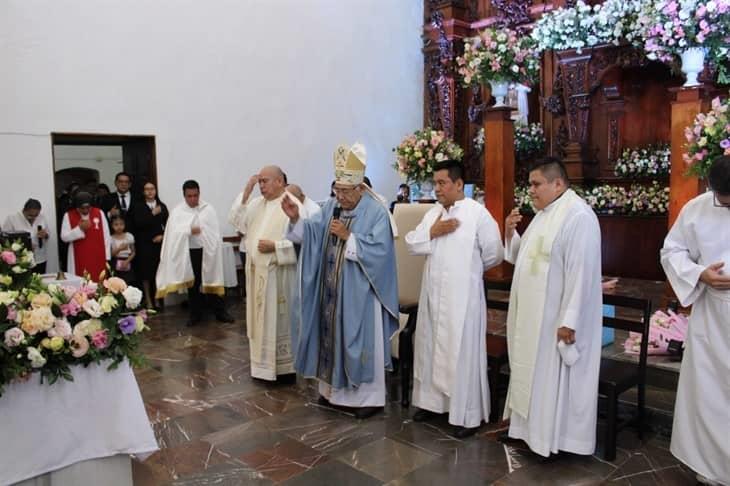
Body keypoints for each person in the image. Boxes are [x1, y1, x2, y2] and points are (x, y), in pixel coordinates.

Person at [282, 143, 399, 419]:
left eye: (345, 192)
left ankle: (366, 400)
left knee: (357, 340)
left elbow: (382, 254)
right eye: (337, 190)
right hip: (333, 291)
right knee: (331, 336)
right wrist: (297, 218)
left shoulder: (376, 211)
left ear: (360, 188)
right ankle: (331, 393)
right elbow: (313, 232)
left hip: (362, 294)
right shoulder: (333, 205)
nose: (339, 197)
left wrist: (350, 237)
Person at [502, 157, 602, 457]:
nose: (530, 191)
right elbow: (526, 259)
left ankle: (553, 440)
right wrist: (510, 234)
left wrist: (569, 320)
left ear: (557, 183)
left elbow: (582, 273)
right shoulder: (545, 214)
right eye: (529, 184)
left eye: (536, 184)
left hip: (556, 319)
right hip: (534, 318)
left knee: (551, 378)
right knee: (531, 373)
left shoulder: (577, 216)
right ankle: (528, 433)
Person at [405, 160, 503, 438]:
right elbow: (412, 242)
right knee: (429, 347)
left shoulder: (477, 214)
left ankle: (465, 415)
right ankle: (431, 404)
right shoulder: (433, 214)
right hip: (433, 294)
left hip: (463, 298)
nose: (437, 189)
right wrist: (432, 232)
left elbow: (494, 253)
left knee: (461, 352)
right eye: (434, 183)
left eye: (442, 183)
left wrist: (468, 272)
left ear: (459, 184)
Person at [660, 156, 730, 485]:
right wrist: (700, 274)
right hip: (712, 317)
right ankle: (711, 467)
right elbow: (671, 251)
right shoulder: (698, 207)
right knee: (709, 393)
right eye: (721, 199)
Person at [228, 166, 298, 382]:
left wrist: (276, 247)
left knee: (278, 322)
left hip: (279, 277)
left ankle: (284, 370)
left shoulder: (291, 204)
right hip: (257, 275)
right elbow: (236, 221)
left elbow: (303, 241)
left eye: (265, 181)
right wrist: (246, 193)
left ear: (279, 181)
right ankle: (261, 368)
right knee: (259, 323)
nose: (261, 185)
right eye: (259, 182)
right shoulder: (257, 204)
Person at [156, 180, 234, 326]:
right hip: (190, 252)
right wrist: (188, 230)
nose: (193, 199)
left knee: (212, 279)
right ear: (184, 195)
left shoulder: (208, 209)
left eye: (195, 195)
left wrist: (212, 245)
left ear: (199, 193)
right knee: (194, 284)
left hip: (208, 251)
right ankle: (195, 315)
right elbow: (173, 234)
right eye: (189, 196)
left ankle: (220, 312)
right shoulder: (178, 211)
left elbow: (214, 231)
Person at [132, 181, 169, 309]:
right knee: (146, 274)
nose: (150, 191)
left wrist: (163, 236)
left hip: (159, 245)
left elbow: (169, 225)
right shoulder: (138, 206)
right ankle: (148, 300)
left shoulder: (162, 206)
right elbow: (138, 224)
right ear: (143, 192)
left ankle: (158, 299)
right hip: (144, 245)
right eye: (147, 189)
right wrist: (152, 214)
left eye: (152, 189)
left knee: (158, 272)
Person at [60, 191, 111, 281]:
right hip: (78, 256)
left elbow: (106, 235)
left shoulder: (99, 213)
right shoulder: (68, 215)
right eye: (82, 208)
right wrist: (79, 229)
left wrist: (107, 256)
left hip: (98, 255)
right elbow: (64, 237)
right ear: (76, 206)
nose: (85, 211)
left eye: (88, 207)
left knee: (99, 281)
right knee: (80, 282)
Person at [3, 199, 50, 273]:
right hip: (21, 260)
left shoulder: (42, 217)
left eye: (36, 215)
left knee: (40, 281)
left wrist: (45, 235)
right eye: (30, 215)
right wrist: (24, 246)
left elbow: (48, 234)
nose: (33, 218)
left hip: (40, 258)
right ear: (24, 210)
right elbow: (5, 240)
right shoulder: (12, 218)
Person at [109, 215, 135, 284]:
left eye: (121, 224)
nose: (119, 227)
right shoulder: (110, 238)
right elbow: (111, 254)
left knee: (127, 283)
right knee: (117, 284)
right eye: (116, 225)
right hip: (116, 262)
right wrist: (119, 249)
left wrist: (127, 260)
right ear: (112, 226)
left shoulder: (129, 236)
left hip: (127, 260)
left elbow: (133, 252)